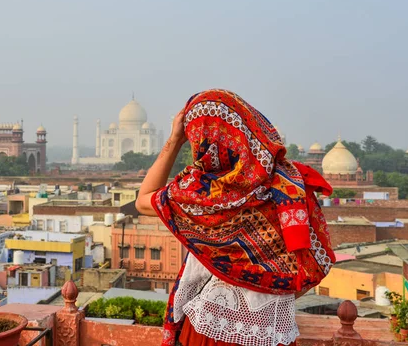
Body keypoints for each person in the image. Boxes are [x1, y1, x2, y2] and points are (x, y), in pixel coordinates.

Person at [136, 89, 335, 346]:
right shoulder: (290, 184)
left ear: (200, 139)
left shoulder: (200, 194)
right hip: (273, 333)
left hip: (209, 330)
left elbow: (144, 199)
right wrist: (268, 292)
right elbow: (313, 266)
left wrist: (174, 139)